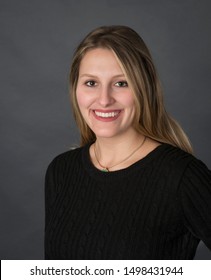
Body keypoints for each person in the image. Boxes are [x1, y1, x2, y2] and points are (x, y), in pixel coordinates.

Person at [45, 25, 211, 259]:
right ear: (75, 89)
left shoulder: (182, 176)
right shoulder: (61, 171)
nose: (104, 100)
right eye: (91, 83)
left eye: (121, 83)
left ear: (144, 88)